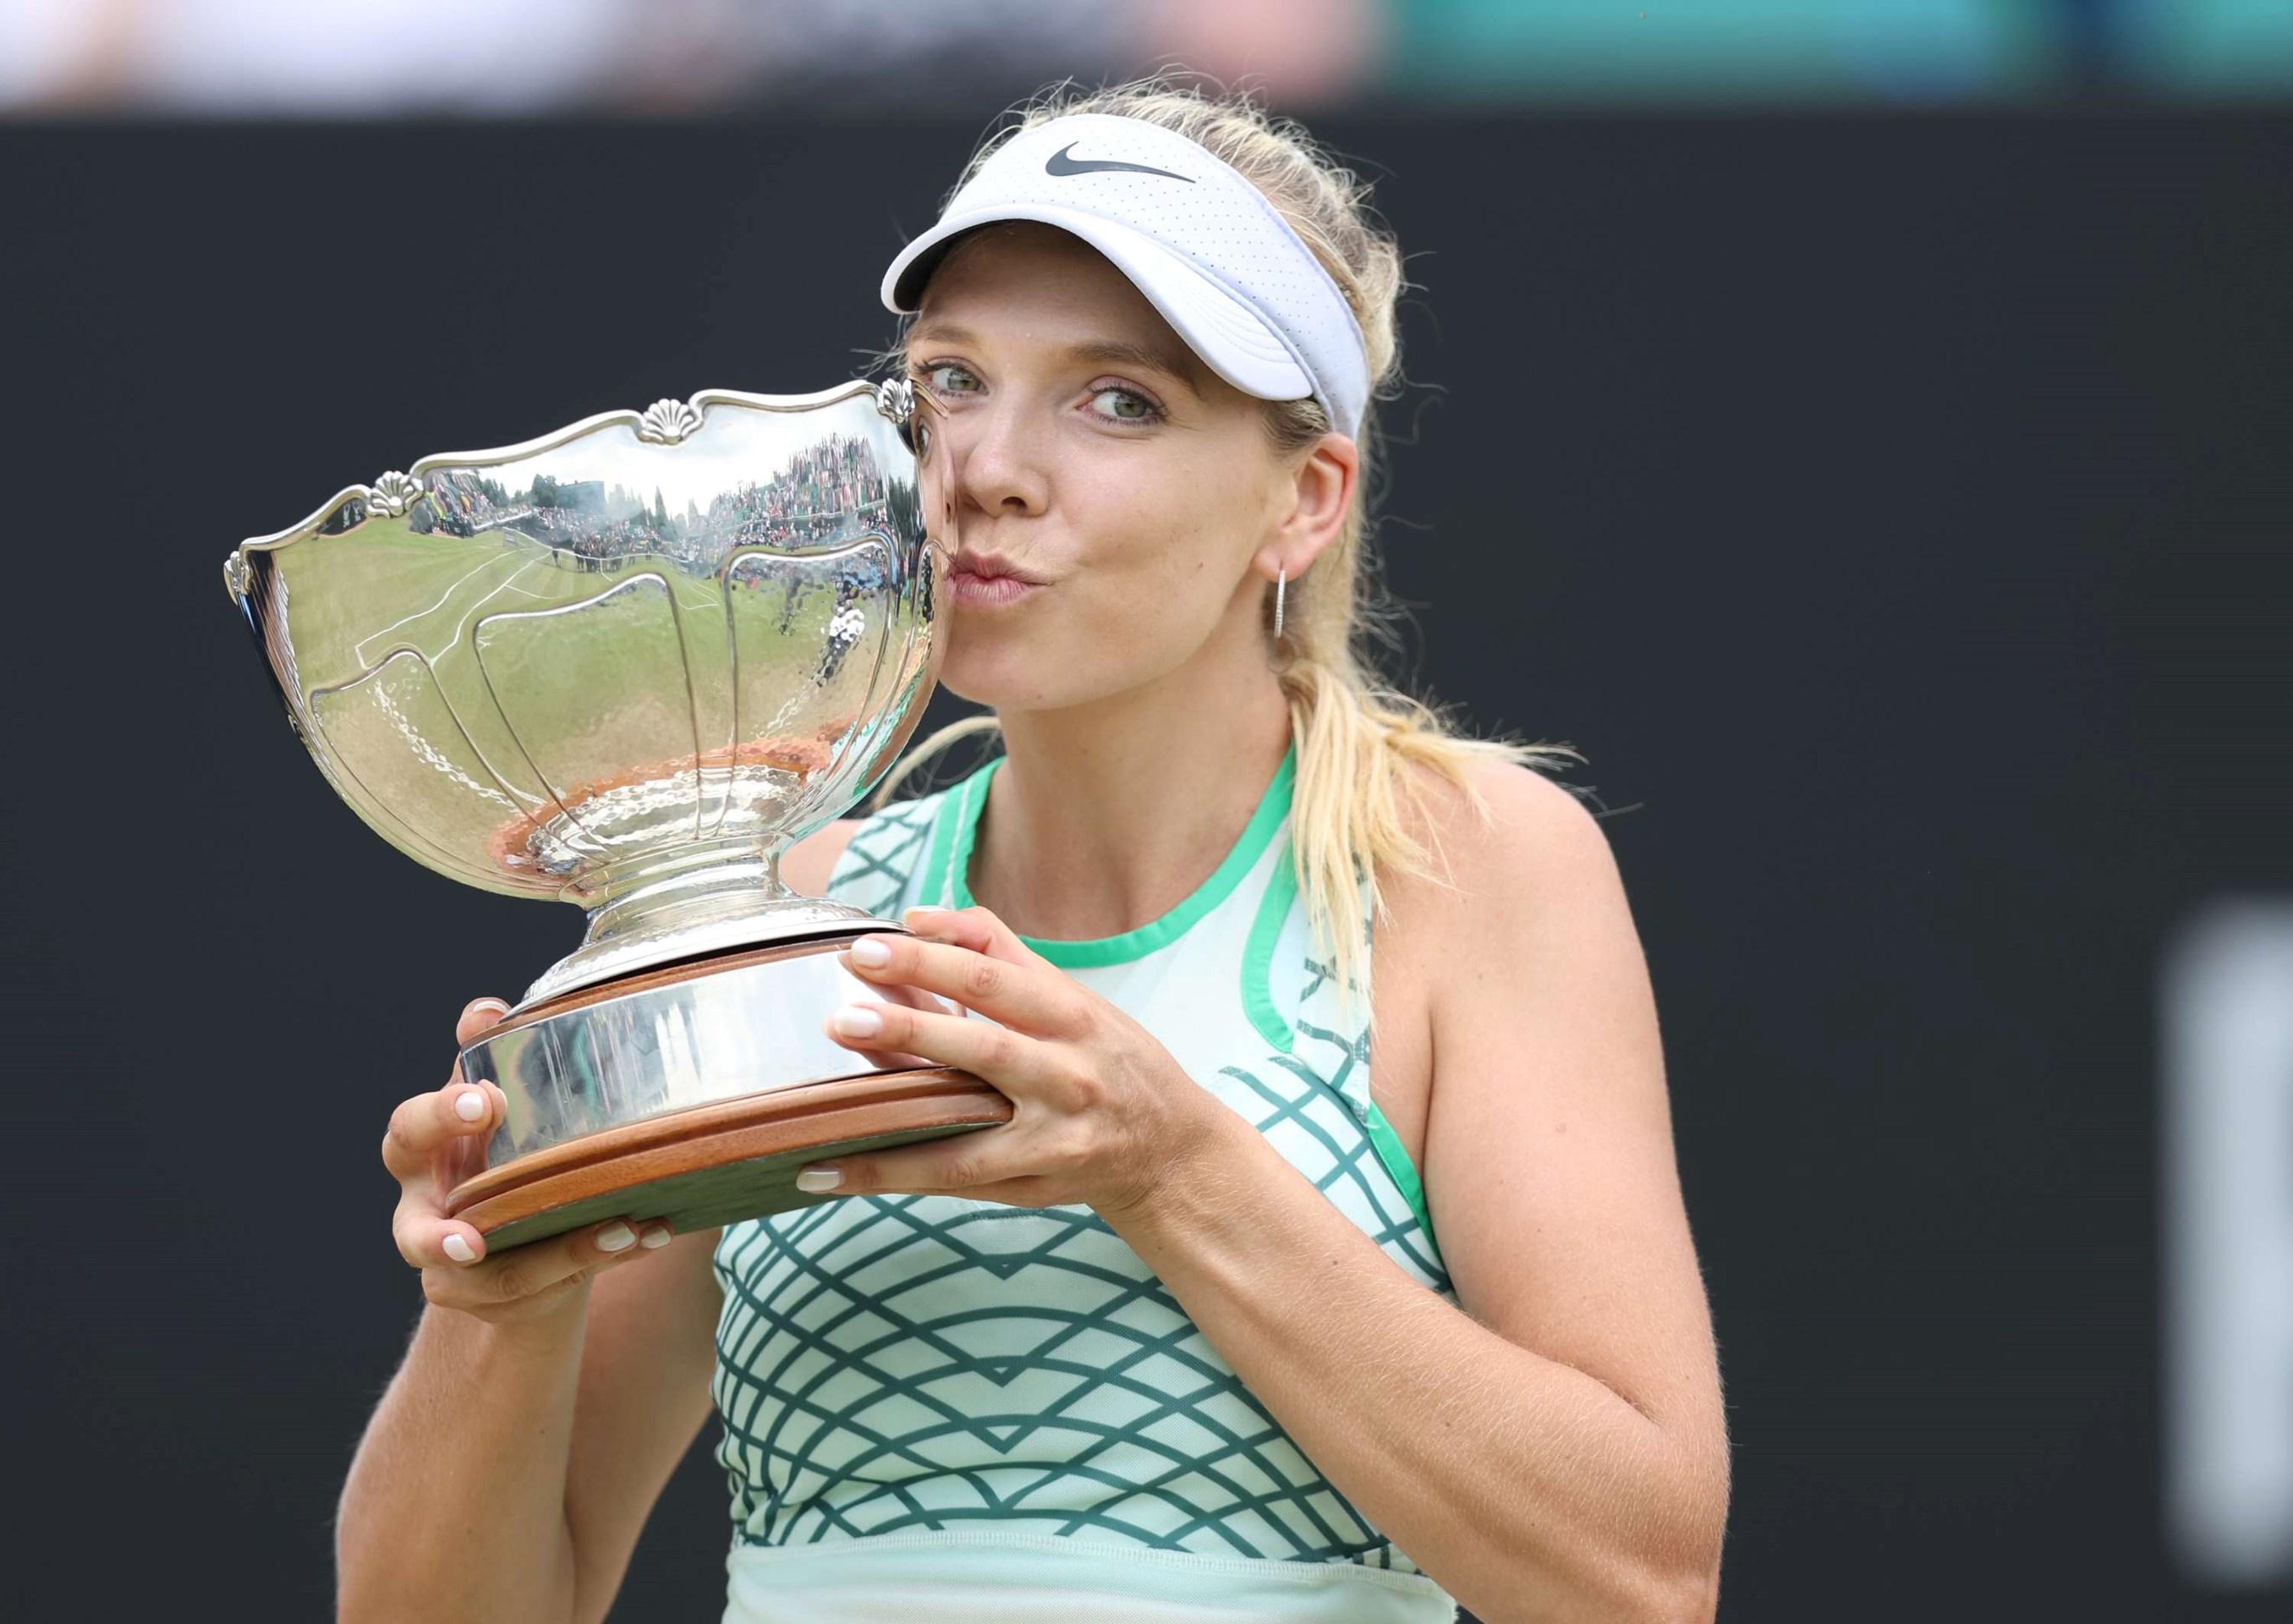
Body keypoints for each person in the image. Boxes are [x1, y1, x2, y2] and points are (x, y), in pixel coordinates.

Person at [338, 80, 1728, 1624]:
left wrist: (1168, 1163)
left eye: (1115, 399)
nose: (985, 468)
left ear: (1303, 499)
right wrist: (494, 1302)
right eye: (951, 380)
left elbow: (1641, 1583)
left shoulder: (1470, 870)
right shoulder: (794, 913)